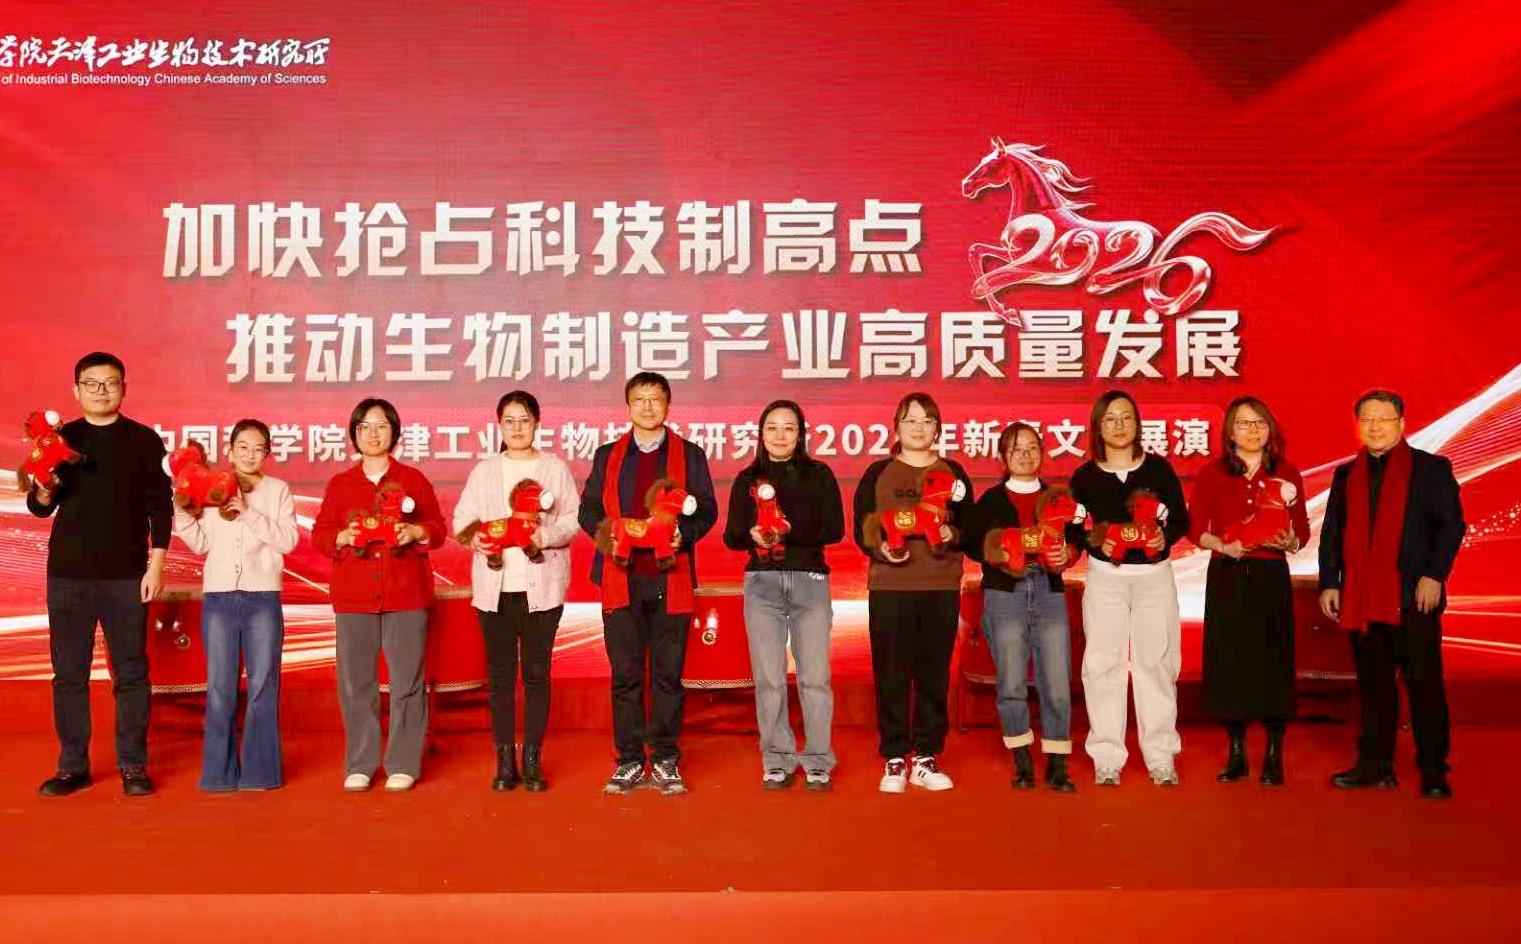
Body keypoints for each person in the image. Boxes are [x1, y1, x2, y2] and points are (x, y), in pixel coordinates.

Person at [29, 352, 171, 797]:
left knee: (131, 673)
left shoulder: (144, 441)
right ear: (76, 390)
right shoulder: (60, 439)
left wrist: (156, 564)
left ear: (124, 387)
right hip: (68, 574)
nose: (101, 391)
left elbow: (160, 506)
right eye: (91, 384)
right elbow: (40, 506)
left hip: (126, 575)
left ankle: (133, 765)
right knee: (69, 675)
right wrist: (44, 485)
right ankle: (72, 766)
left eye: (110, 383)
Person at [1319, 389, 1465, 799]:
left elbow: (1451, 526)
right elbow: (1332, 532)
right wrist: (1330, 581)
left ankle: (1433, 770)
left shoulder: (1431, 468)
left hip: (1414, 597)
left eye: (1383, 418)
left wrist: (1434, 575)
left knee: (1424, 686)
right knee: (1374, 687)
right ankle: (1375, 765)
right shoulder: (1346, 474)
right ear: (1358, 425)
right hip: (1361, 598)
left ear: (1401, 424)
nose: (1375, 426)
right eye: (1367, 419)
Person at [579, 372, 718, 796]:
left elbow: (706, 510)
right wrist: (610, 535)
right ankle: (628, 759)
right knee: (625, 675)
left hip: (669, 578)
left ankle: (664, 757)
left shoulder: (690, 455)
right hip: (620, 579)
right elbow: (588, 509)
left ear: (668, 405)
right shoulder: (608, 456)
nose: (647, 407)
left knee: (667, 675)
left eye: (655, 399)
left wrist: (683, 535)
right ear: (628, 407)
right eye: (639, 399)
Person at [311, 399, 447, 792]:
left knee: (407, 682)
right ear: (354, 434)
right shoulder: (341, 484)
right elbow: (320, 534)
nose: (373, 434)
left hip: (406, 593)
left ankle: (403, 762)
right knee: (356, 682)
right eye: (365, 427)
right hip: (354, 596)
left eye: (381, 426)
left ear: (395, 432)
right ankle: (361, 762)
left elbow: (438, 528)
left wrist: (415, 532)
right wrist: (343, 536)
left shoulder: (413, 479)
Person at [452, 391, 580, 791]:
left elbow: (572, 519)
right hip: (495, 592)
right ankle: (505, 761)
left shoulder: (554, 469)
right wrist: (476, 538)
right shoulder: (484, 471)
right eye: (509, 421)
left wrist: (545, 536)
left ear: (537, 423)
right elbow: (462, 519)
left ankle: (533, 759)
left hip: (542, 589)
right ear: (499, 426)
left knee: (537, 675)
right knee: (501, 678)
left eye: (524, 420)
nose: (517, 428)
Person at [853, 392, 975, 793]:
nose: (918, 428)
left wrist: (952, 532)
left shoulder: (953, 473)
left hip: (939, 585)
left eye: (927, 421)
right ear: (896, 428)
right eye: (910, 420)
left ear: (937, 428)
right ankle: (893, 755)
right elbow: (863, 527)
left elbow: (971, 529)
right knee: (890, 672)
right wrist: (881, 549)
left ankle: (925, 755)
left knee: (932, 672)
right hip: (891, 586)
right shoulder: (878, 473)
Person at [1069, 390, 1190, 787]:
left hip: (1154, 577)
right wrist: (1096, 543)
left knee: (1156, 662)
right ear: (1098, 427)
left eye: (1126, 417)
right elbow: (1073, 528)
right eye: (1110, 419)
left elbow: (1180, 520)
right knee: (1103, 663)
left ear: (1138, 424)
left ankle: (1161, 755)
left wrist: (1163, 538)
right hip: (1107, 578)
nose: (1119, 425)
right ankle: (1107, 756)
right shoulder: (1085, 477)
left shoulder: (1158, 470)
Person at [723, 399, 845, 791]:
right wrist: (752, 537)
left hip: (810, 580)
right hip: (762, 584)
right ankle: (777, 757)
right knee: (769, 678)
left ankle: (818, 759)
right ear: (761, 434)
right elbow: (731, 536)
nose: (780, 435)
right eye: (772, 428)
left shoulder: (819, 475)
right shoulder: (747, 479)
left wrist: (787, 530)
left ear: (801, 434)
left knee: (815, 677)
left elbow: (835, 529)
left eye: (789, 428)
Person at [1188, 397, 1310, 786]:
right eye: (1243, 423)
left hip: (1270, 575)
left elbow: (1302, 531)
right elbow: (1194, 528)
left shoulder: (1287, 473)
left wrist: (1291, 541)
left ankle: (1274, 754)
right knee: (1231, 661)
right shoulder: (1212, 474)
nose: (1252, 430)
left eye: (1259, 423)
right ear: (1230, 432)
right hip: (1228, 574)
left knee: (1274, 660)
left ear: (1270, 429)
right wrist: (1222, 546)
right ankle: (1236, 752)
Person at [173, 419, 299, 792]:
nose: (249, 455)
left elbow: (288, 541)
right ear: (229, 450)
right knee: (220, 687)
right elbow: (199, 542)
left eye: (258, 449)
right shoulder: (210, 487)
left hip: (263, 597)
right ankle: (219, 774)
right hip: (219, 597)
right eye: (242, 447)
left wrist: (247, 511)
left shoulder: (277, 490)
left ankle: (260, 773)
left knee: (263, 684)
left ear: (267, 454)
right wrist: (182, 509)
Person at [962, 422, 1080, 792]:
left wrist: (1067, 554)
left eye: (1032, 448)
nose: (1025, 455)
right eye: (1016, 449)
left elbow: (1076, 541)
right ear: (1002, 458)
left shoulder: (1057, 499)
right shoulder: (991, 501)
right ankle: (1022, 758)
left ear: (1042, 454)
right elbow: (972, 544)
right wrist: (997, 554)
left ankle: (1057, 761)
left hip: (1048, 590)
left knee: (1056, 681)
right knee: (1011, 681)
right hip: (1004, 592)